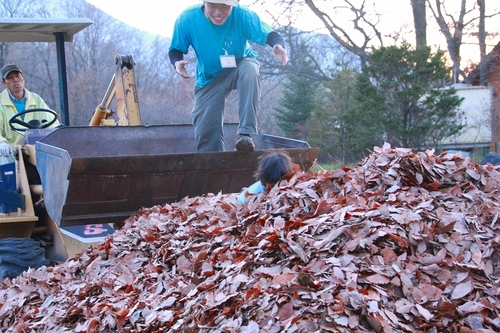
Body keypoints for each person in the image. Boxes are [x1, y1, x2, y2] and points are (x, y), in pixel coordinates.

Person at [169, 0, 289, 152]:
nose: (218, 12)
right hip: (209, 77)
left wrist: (278, 46)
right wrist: (177, 62)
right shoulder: (187, 18)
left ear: (233, 5)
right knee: (206, 134)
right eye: (212, 5)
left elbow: (271, 35)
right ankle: (215, 167)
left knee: (250, 69)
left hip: (240, 64)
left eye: (225, 6)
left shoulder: (243, 15)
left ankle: (245, 133)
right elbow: (175, 49)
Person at [0, 64, 59, 164]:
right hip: (12, 151)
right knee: (3, 157)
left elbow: (51, 121)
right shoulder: (1, 102)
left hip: (36, 148)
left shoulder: (36, 99)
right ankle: (11, 180)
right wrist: (1, 142)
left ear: (23, 78)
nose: (15, 80)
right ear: (4, 83)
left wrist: (57, 133)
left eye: (17, 76)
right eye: (10, 78)